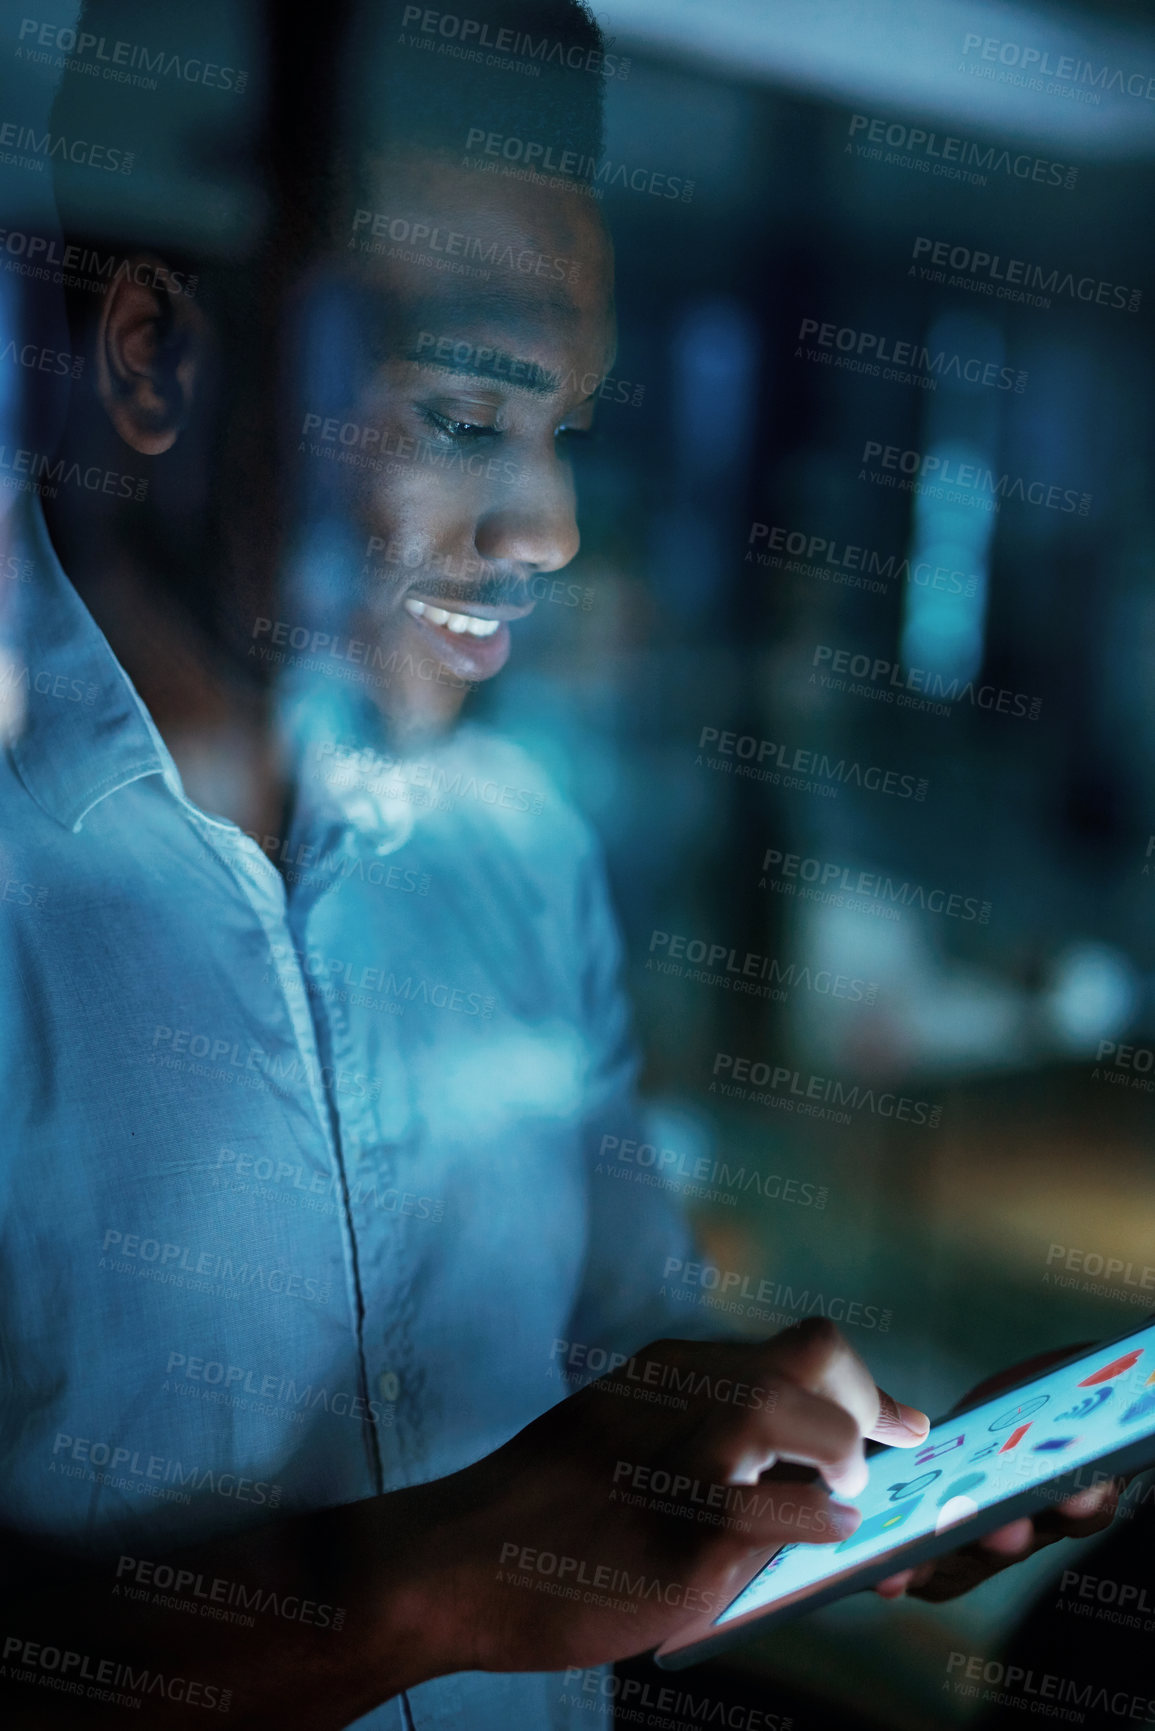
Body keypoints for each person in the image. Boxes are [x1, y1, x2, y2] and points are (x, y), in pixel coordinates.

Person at [0, 3, 1117, 1726]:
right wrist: (431, 1580)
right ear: (156, 361)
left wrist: (857, 1483)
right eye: (463, 422)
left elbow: (610, 1392)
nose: (554, 532)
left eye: (565, 432)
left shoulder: (511, 851)